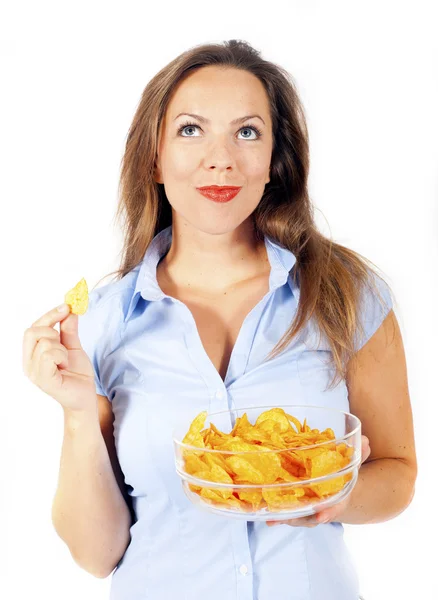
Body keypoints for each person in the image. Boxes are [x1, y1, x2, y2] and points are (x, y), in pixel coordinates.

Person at [22, 40, 417, 600]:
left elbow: (398, 473)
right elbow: (96, 553)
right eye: (190, 129)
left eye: (247, 132)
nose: (221, 158)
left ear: (276, 160)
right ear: (153, 158)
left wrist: (333, 500)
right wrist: (79, 413)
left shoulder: (346, 294)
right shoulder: (103, 322)